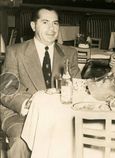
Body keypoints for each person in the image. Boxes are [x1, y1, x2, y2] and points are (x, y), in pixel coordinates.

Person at [0, 6, 80, 158]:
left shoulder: (70, 53)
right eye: (45, 22)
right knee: (20, 141)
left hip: (60, 115)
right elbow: (6, 88)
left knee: (77, 138)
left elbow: (78, 88)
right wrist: (30, 103)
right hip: (21, 114)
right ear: (33, 25)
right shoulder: (15, 51)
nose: (52, 28)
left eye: (55, 23)